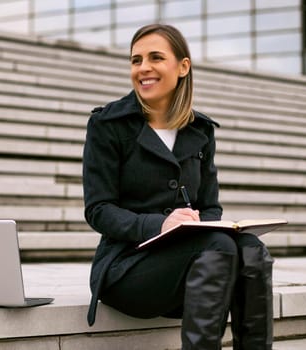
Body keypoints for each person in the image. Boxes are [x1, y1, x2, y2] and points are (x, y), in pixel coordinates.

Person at [82, 23, 274, 350]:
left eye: (156, 57)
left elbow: (210, 206)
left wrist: (199, 225)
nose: (143, 68)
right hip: (125, 269)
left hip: (192, 271)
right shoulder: (107, 125)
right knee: (220, 247)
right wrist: (162, 225)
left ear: (183, 66)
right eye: (136, 60)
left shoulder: (200, 130)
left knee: (252, 249)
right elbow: (98, 210)